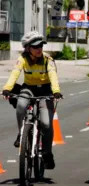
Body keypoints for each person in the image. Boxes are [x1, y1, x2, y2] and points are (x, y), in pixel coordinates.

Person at [2, 31, 63, 169]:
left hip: (45, 91)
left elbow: (53, 75)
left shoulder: (48, 60)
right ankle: (21, 133)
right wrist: (7, 88)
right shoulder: (22, 59)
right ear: (28, 47)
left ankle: (47, 153)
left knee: (46, 123)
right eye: (35, 47)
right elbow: (14, 73)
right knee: (21, 106)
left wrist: (56, 91)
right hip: (28, 89)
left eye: (41, 46)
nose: (39, 49)